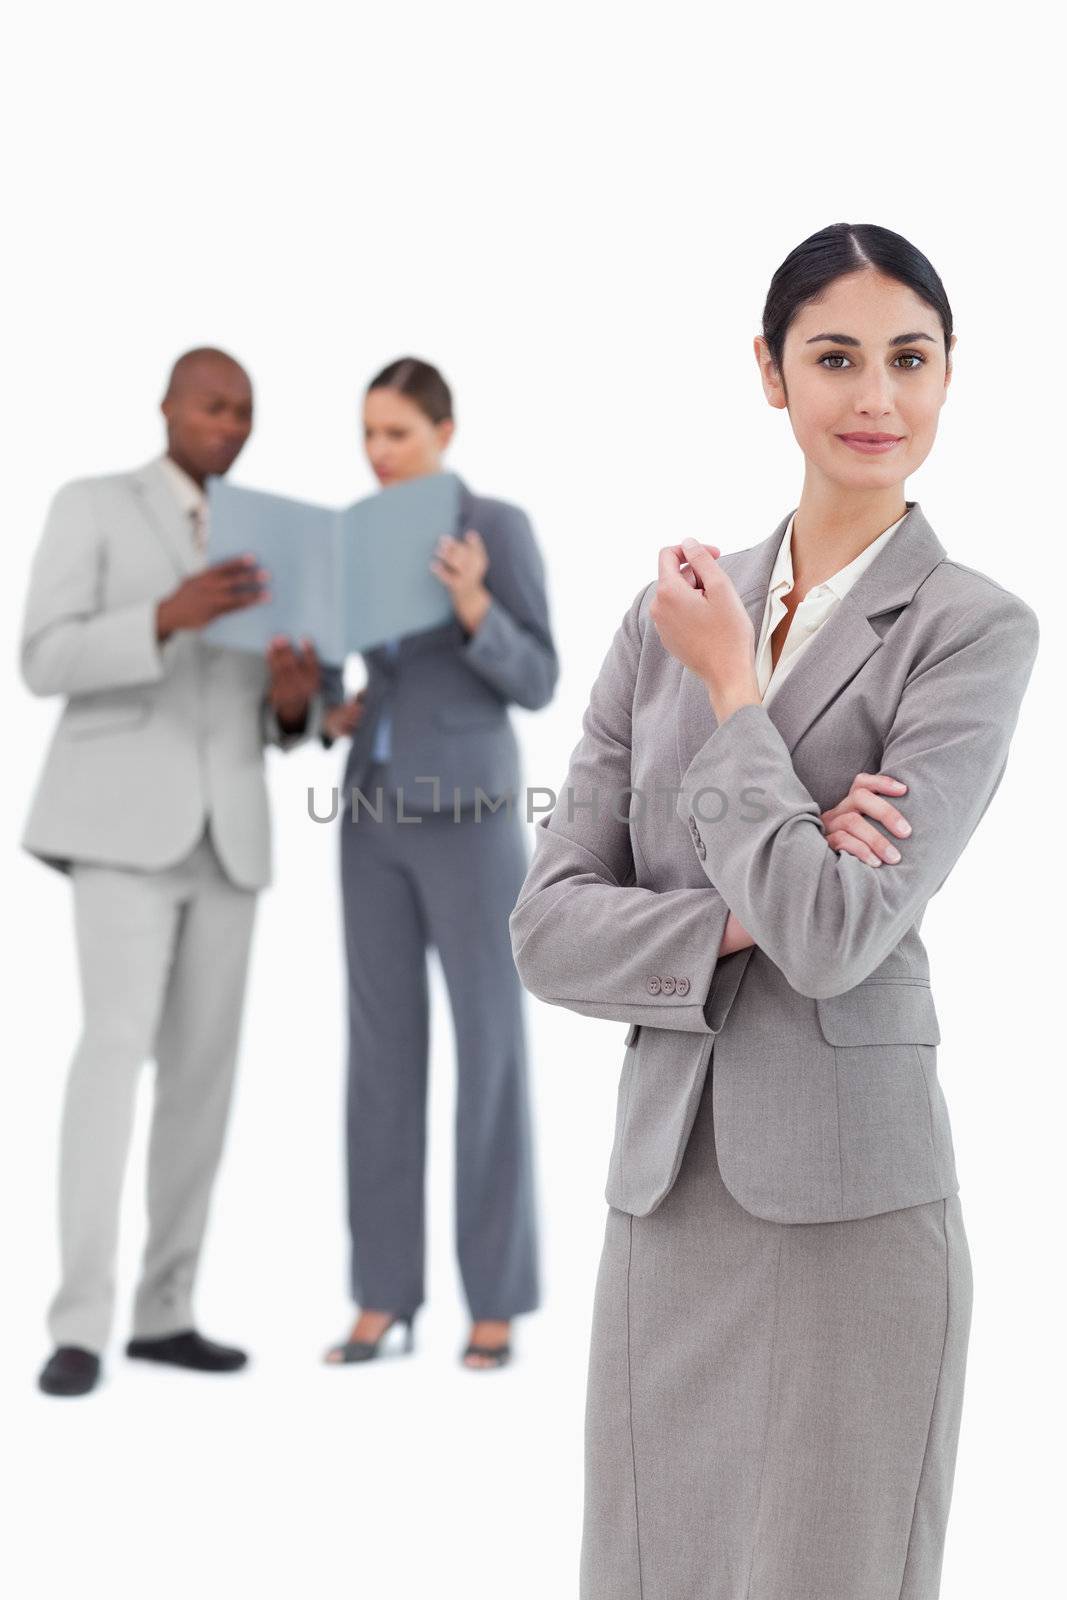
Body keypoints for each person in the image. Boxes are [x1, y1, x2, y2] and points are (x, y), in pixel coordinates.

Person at [509, 224, 1040, 1596]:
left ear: (945, 377)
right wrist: (746, 903)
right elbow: (548, 925)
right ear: (768, 373)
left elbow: (834, 936)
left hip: (848, 1217)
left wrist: (736, 698)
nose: (875, 398)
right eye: (834, 357)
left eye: (907, 360)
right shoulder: (668, 615)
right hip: (664, 1204)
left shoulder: (969, 631)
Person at [21, 346, 322, 1398]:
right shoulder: (92, 505)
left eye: (243, 411)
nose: (227, 424)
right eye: (211, 405)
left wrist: (293, 697)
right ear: (168, 407)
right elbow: (42, 657)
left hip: (229, 832)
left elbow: (282, 713)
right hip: (118, 824)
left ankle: (164, 1311)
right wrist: (164, 615)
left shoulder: (269, 535)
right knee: (112, 1054)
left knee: (203, 1078)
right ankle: (78, 1323)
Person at [321, 357, 557, 1370]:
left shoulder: (494, 528)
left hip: (471, 816)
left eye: (398, 435)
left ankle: (494, 1299)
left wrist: (471, 605)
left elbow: (539, 675)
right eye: (368, 434)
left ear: (444, 433)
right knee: (379, 1061)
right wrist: (321, 701)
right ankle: (382, 1296)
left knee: (489, 1051)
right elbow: (341, 672)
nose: (379, 454)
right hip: (370, 813)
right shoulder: (351, 536)